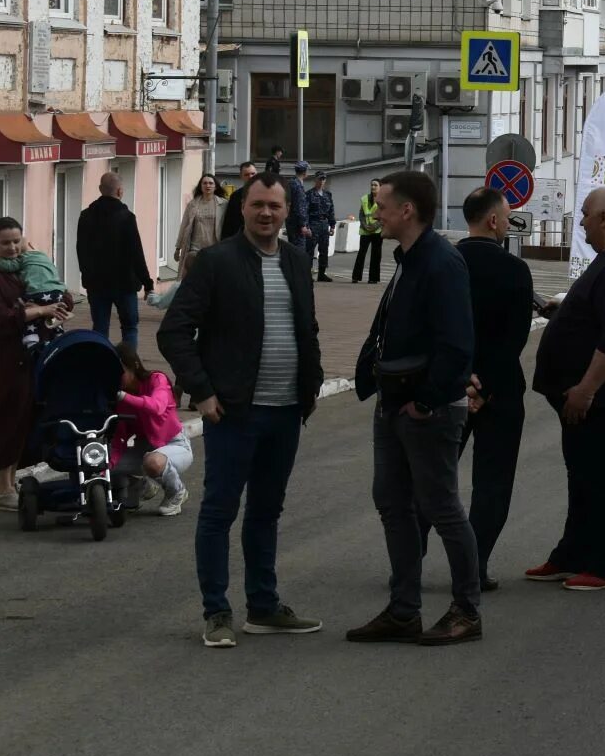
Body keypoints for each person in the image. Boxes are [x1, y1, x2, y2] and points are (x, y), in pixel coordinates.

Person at [157, 173, 325, 648]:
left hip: (286, 411)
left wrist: (310, 384)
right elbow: (173, 332)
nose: (267, 214)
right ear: (243, 208)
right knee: (218, 512)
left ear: (288, 210)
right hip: (232, 413)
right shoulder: (216, 262)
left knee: (266, 512)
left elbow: (306, 327)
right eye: (258, 206)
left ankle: (264, 607)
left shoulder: (295, 261)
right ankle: (216, 612)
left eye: (275, 206)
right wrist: (203, 392)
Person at [344, 171, 482, 646]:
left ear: (407, 210)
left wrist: (426, 401)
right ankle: (404, 610)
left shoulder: (442, 262)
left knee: (442, 508)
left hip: (429, 410)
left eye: (382, 204)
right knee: (393, 505)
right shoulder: (407, 256)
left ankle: (466, 610)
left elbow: (458, 343)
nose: (375, 211)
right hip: (395, 403)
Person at [527, 187, 605, 592]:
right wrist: (563, 310)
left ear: (604, 218)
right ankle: (573, 554)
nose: (580, 222)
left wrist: (585, 389)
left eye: (584, 215)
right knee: (582, 477)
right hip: (591, 395)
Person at [455, 187, 538, 593]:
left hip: (447, 389)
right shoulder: (513, 270)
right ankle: (474, 564)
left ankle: (410, 558)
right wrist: (484, 387)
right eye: (506, 216)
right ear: (492, 221)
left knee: (431, 477)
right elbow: (514, 338)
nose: (509, 223)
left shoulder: (445, 262)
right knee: (492, 482)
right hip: (500, 392)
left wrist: (463, 382)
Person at [0, 219, 72, 509]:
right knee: (6, 416)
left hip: (36, 351)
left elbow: (59, 291)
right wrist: (40, 309)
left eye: (17, 240)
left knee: (26, 416)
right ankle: (2, 488)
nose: (13, 247)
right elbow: (0, 317)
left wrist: (58, 305)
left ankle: (12, 481)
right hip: (6, 355)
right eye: (5, 242)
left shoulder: (31, 262)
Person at [75, 172, 154, 350]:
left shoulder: (86, 216)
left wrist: (86, 275)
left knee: (100, 328)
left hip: (96, 283)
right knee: (130, 328)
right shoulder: (126, 217)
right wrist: (147, 283)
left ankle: (103, 367)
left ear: (100, 190)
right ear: (120, 191)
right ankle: (130, 368)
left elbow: (81, 249)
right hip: (124, 283)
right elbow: (136, 253)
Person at [112, 344, 192, 516]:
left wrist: (124, 397)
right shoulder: (119, 398)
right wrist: (108, 466)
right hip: (145, 447)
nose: (115, 377)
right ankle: (142, 485)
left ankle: (177, 492)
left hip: (175, 443)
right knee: (104, 467)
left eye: (120, 371)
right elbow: (119, 437)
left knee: (153, 462)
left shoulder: (157, 379)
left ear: (133, 366)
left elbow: (157, 406)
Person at [175, 174, 223, 280]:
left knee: (212, 280)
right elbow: (184, 226)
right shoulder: (192, 205)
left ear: (216, 186)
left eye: (211, 183)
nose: (208, 185)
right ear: (200, 186)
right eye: (204, 183)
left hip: (215, 249)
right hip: (195, 250)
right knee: (193, 279)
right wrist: (178, 248)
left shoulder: (223, 204)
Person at [352, 179, 384, 284]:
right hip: (365, 231)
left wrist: (375, 225)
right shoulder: (365, 198)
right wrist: (364, 225)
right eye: (372, 185)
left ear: (380, 187)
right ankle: (356, 277)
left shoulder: (384, 200)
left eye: (375, 185)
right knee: (361, 253)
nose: (373, 187)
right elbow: (361, 213)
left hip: (377, 231)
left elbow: (384, 216)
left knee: (376, 254)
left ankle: (373, 278)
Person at [220, 161, 259, 240]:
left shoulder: (266, 194)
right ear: (241, 176)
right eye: (246, 174)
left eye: (252, 174)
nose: (250, 177)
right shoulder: (236, 196)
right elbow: (229, 220)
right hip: (240, 238)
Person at [287, 162, 312, 258]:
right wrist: (303, 225)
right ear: (304, 172)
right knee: (298, 252)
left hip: (291, 222)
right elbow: (299, 207)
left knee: (293, 249)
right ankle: (296, 272)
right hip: (297, 225)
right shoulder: (297, 186)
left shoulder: (292, 183)